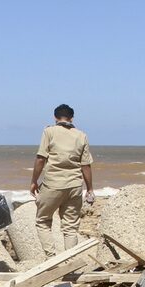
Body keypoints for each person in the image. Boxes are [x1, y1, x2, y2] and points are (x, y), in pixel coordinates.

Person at [30, 104, 94, 254]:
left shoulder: (49, 132)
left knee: (43, 221)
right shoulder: (81, 135)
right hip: (75, 185)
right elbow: (86, 165)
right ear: (72, 118)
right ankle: (70, 260)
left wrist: (34, 181)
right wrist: (90, 188)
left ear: (55, 117)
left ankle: (51, 258)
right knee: (70, 227)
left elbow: (41, 158)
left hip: (53, 184)